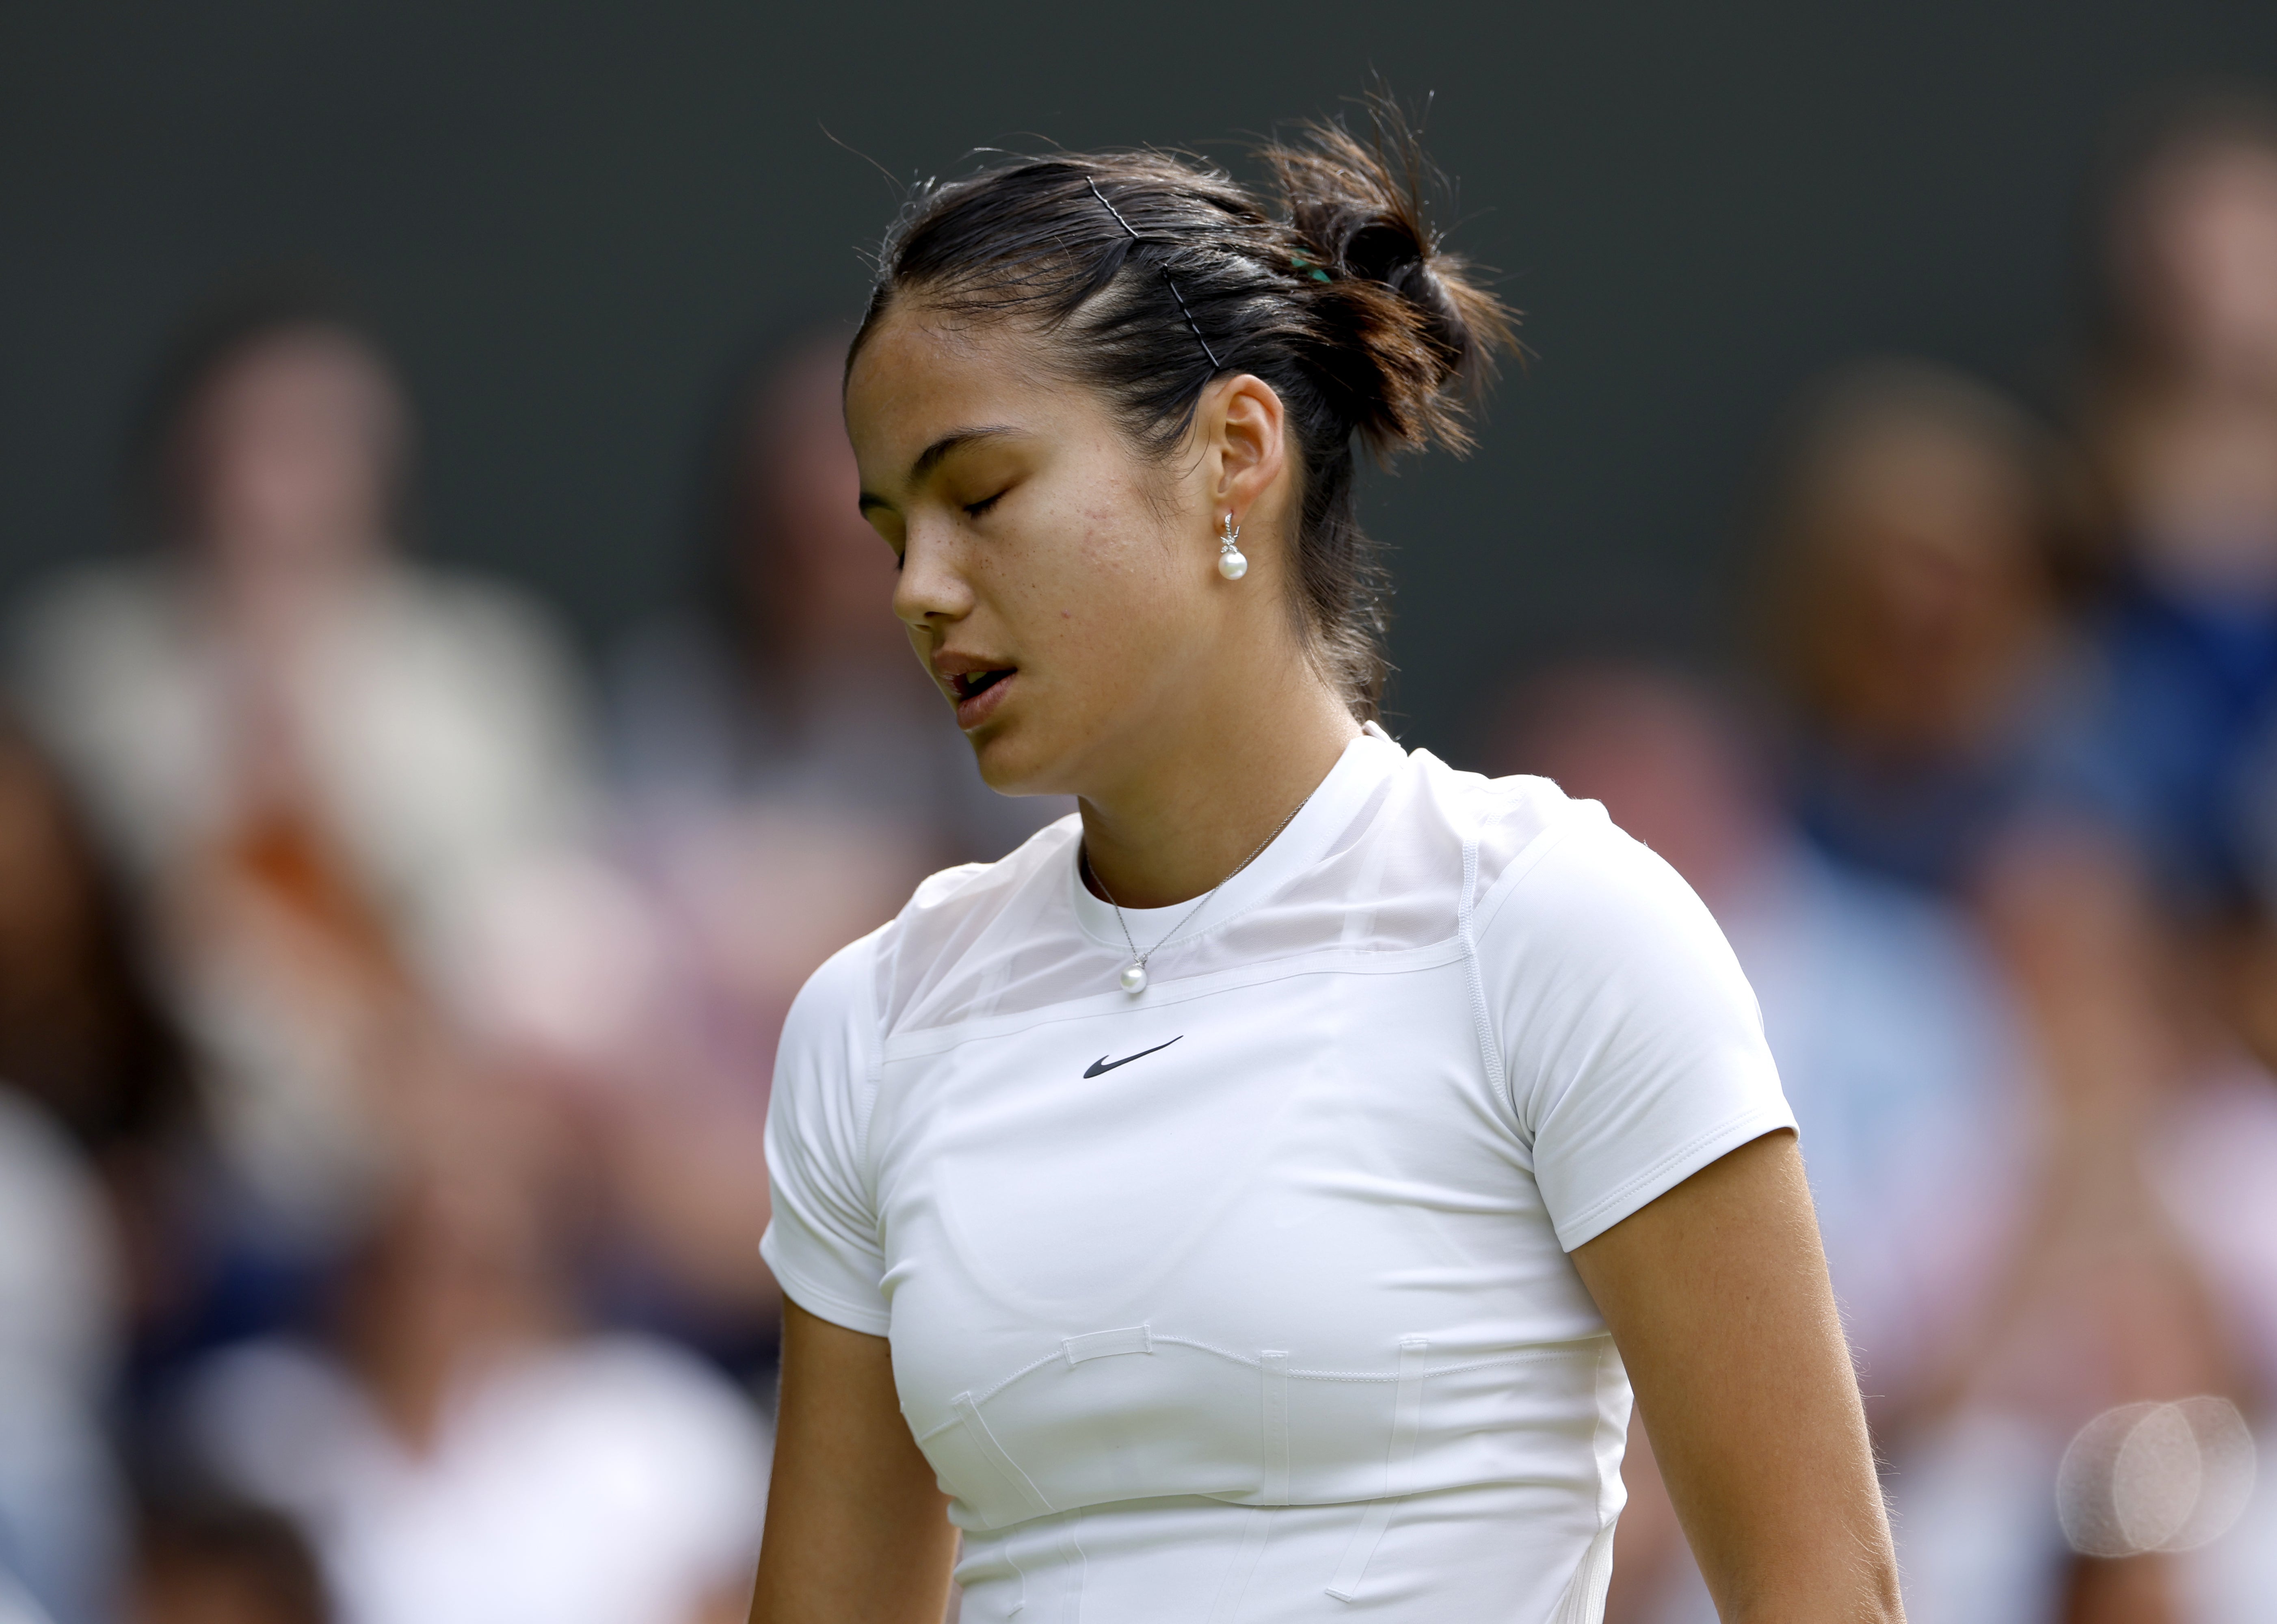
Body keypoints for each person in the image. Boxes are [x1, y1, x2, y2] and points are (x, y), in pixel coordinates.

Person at [751, 107, 1901, 1624]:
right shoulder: (873, 1021)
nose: (919, 588)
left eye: (981, 496)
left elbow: (1820, 1589)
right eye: (894, 527)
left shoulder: (1554, 925)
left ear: (1237, 453)